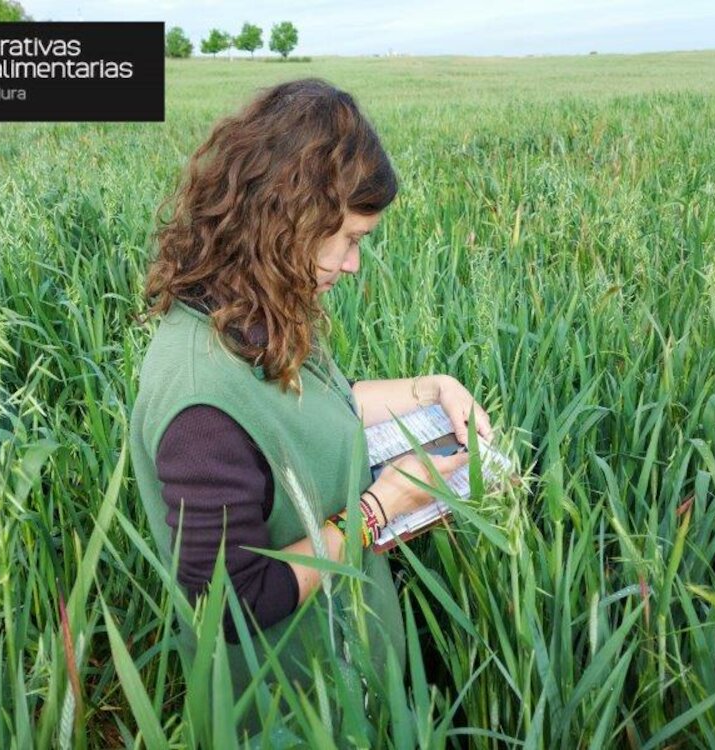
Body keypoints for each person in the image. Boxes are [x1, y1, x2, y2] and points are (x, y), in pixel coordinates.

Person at [128, 77, 493, 733]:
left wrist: (431, 388)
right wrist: (381, 511)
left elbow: (315, 410)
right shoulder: (199, 404)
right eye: (350, 238)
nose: (354, 264)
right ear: (287, 218)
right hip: (295, 710)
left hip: (351, 672)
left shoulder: (246, 313)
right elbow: (232, 606)